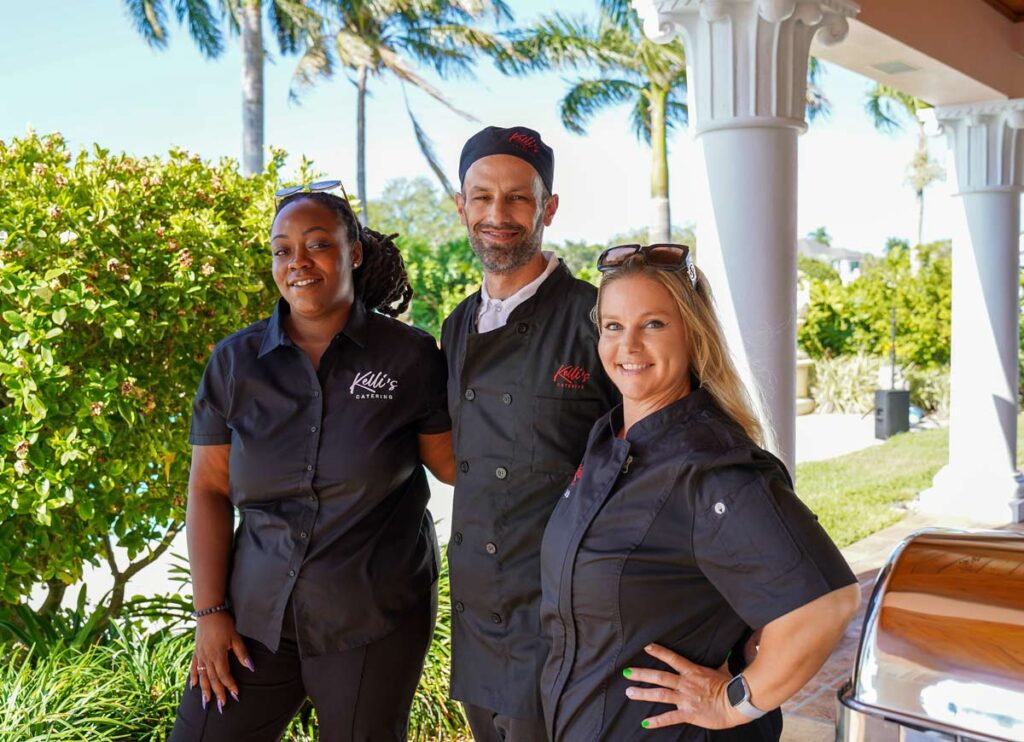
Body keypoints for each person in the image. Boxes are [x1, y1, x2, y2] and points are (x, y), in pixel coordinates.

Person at [539, 244, 861, 740]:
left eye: (653, 324)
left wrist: (731, 703)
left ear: (693, 332)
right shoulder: (608, 440)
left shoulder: (710, 467)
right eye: (613, 326)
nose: (628, 346)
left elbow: (824, 605)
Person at [169, 181, 454, 741]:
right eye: (282, 249)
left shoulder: (410, 356)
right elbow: (207, 490)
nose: (297, 261)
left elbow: (451, 465)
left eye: (317, 244)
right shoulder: (234, 363)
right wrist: (210, 614)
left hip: (373, 616)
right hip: (255, 619)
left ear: (353, 252)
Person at [441, 126, 619, 741]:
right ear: (460, 206)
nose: (498, 214)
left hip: (563, 613)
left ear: (548, 208)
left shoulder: (599, 318)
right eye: (482, 197)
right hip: (476, 609)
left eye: (518, 198)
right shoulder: (457, 324)